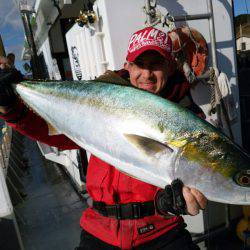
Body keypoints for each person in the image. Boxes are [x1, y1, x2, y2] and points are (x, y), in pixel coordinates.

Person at [0, 27, 207, 250]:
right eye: (140, 64)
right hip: (99, 229)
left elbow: (205, 177)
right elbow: (54, 133)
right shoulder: (103, 97)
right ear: (128, 66)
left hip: (161, 231)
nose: (147, 74)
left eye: (155, 65)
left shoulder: (188, 117)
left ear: (169, 66)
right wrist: (10, 107)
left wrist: (180, 200)